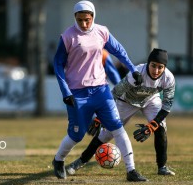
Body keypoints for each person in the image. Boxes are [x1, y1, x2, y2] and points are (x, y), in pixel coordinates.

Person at [52, 0, 147, 182]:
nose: (84, 24)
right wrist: (66, 92)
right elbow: (57, 64)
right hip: (77, 94)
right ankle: (58, 160)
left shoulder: (102, 32)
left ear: (93, 16)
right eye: (80, 20)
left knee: (117, 128)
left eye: (87, 20)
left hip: (101, 91)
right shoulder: (68, 37)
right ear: (75, 18)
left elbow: (119, 51)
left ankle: (131, 170)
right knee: (77, 135)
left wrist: (133, 70)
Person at [66, 48, 176, 176]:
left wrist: (152, 126)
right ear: (148, 63)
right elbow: (114, 93)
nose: (156, 71)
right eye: (153, 65)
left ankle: (162, 166)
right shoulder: (136, 73)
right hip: (126, 102)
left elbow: (167, 106)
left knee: (160, 128)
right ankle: (81, 161)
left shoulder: (169, 78)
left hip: (150, 100)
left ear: (165, 67)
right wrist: (100, 117)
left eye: (160, 67)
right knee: (106, 134)